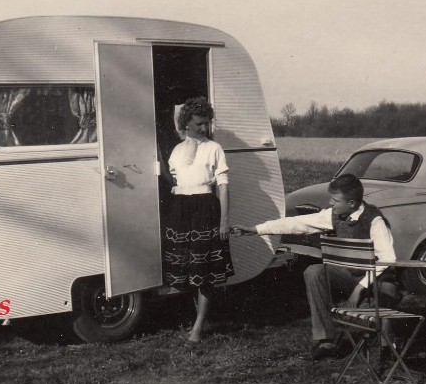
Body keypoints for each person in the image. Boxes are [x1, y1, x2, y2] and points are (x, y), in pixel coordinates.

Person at [232, 173, 399, 359]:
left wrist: (360, 288)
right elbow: (297, 223)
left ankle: (388, 346)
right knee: (314, 271)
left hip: (377, 279)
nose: (330, 203)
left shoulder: (374, 220)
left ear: (352, 203)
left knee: (387, 290)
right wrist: (256, 229)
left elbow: (388, 258)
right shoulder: (335, 214)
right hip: (350, 275)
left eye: (335, 200)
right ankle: (326, 341)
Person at [162, 97, 234, 343]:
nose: (204, 128)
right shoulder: (177, 150)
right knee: (190, 268)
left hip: (205, 209)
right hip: (181, 210)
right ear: (187, 123)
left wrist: (224, 221)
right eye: (199, 123)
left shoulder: (214, 149)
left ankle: (198, 326)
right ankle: (199, 319)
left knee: (205, 269)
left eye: (207, 123)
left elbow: (223, 186)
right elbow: (174, 180)